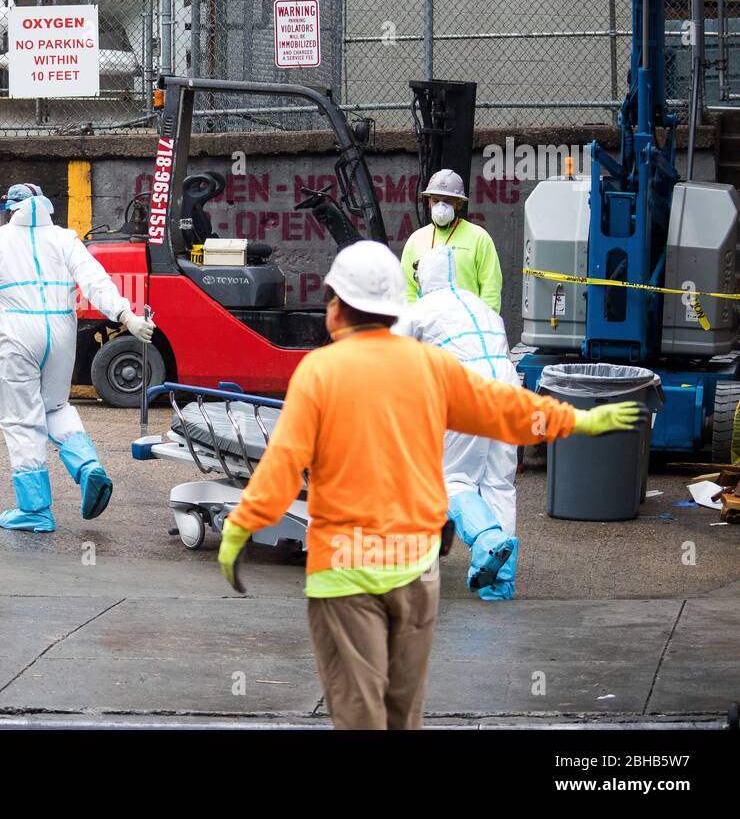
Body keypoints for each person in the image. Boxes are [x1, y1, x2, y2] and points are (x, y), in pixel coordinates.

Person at [215, 240, 645, 729]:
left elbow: (284, 463)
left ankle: (486, 544)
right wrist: (579, 421)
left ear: (340, 309)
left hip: (344, 572)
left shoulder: (321, 371)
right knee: (403, 712)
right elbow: (510, 412)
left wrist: (240, 528)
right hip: (415, 569)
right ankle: (495, 563)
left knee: (359, 711)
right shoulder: (436, 363)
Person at [0, 183, 154, 533]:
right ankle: (87, 466)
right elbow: (95, 281)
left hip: (18, 335)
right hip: (61, 334)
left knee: (22, 420)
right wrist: (126, 316)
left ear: (10, 208)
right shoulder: (65, 239)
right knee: (54, 408)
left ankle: (34, 510)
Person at [393, 245, 520, 600]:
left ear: (423, 278)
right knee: (498, 484)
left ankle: (488, 540)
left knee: (450, 478)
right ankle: (498, 582)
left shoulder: (420, 309)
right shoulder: (480, 306)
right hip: (508, 387)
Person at [400, 169, 503, 312]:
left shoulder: (479, 238)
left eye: (447, 201)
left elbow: (490, 288)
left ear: (459, 204)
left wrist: (484, 323)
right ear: (429, 202)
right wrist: (412, 323)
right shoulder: (416, 240)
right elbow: (407, 290)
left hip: (467, 327)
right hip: (426, 328)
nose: (440, 207)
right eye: (435, 200)